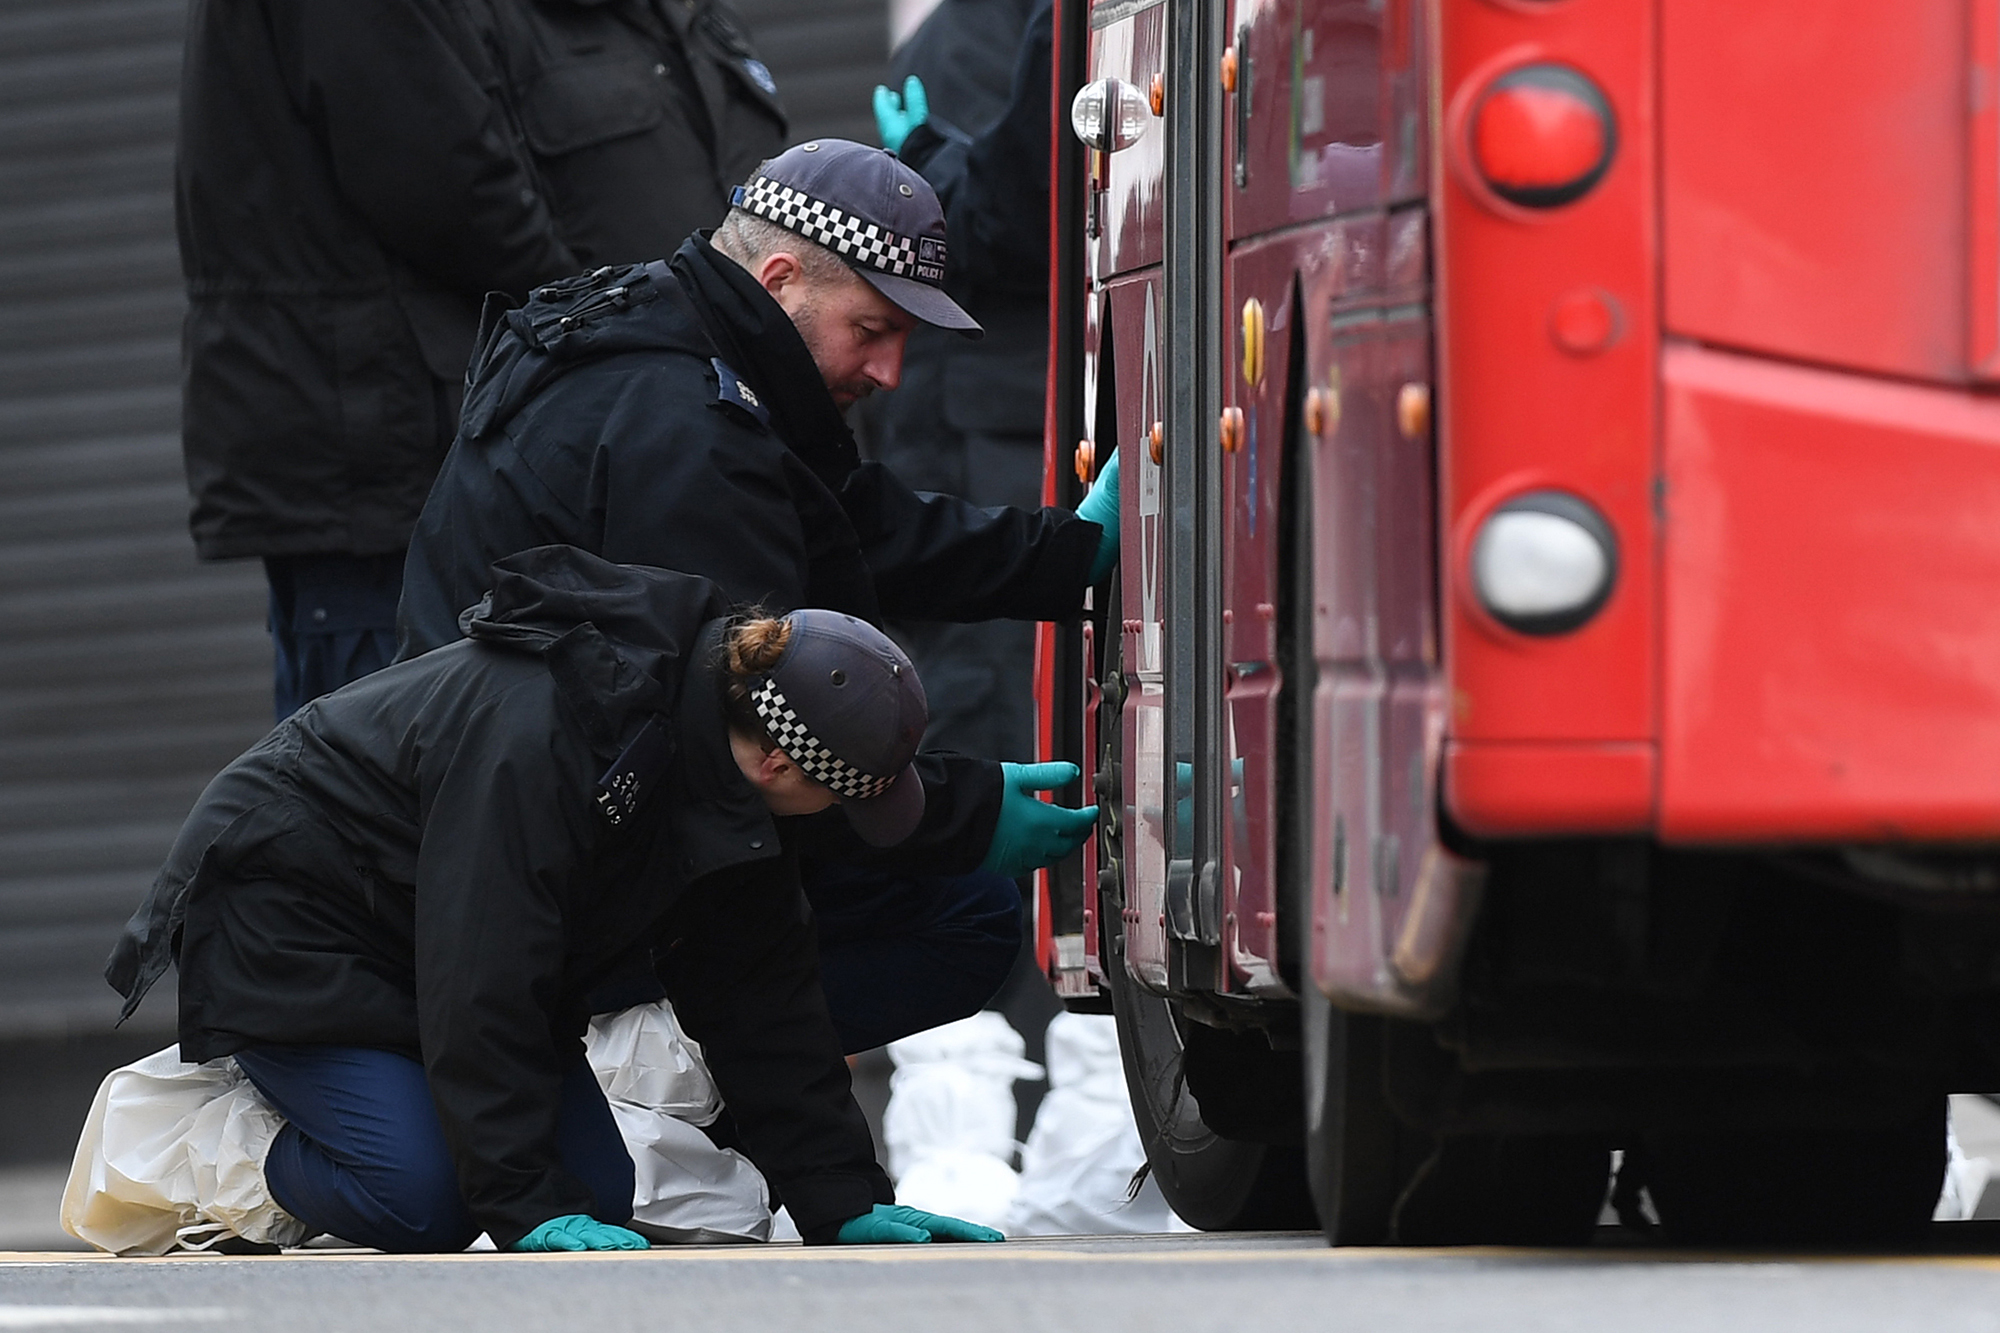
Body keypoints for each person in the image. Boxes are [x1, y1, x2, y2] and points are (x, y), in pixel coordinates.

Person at [393, 139, 1119, 1053]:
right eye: (874, 329)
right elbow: (758, 718)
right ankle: (644, 1077)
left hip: (540, 804)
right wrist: (958, 812)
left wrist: (1070, 554)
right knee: (962, 916)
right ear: (782, 278)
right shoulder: (687, 431)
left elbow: (850, 527)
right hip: (549, 851)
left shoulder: (677, 333)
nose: (892, 371)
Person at [103, 544, 1001, 1253]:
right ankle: (215, 1146)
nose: (845, 818)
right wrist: (521, 1197)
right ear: (778, 761)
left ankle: (388, 1116)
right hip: (295, 927)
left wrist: (839, 1197)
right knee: (428, 1201)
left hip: (426, 940)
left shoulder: (725, 778)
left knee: (599, 1194)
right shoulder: (548, 733)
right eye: (845, 794)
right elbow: (483, 962)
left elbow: (762, 990)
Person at [177, 0, 788, 722]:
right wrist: (607, 321)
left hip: (385, 445)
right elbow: (448, 177)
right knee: (392, 777)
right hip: (385, 449)